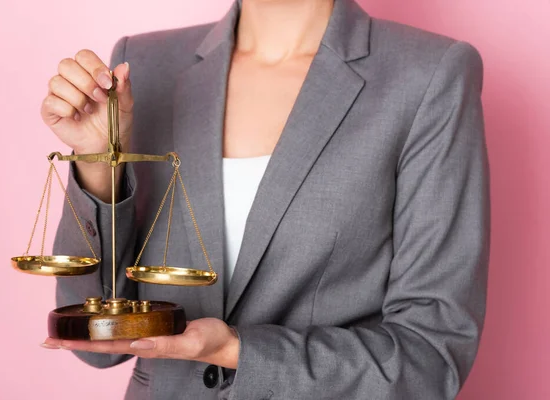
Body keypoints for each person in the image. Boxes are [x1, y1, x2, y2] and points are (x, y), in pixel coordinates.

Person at [41, 0, 490, 399]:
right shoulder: (143, 64)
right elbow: (96, 343)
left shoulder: (428, 74)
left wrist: (237, 351)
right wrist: (97, 163)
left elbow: (430, 359)